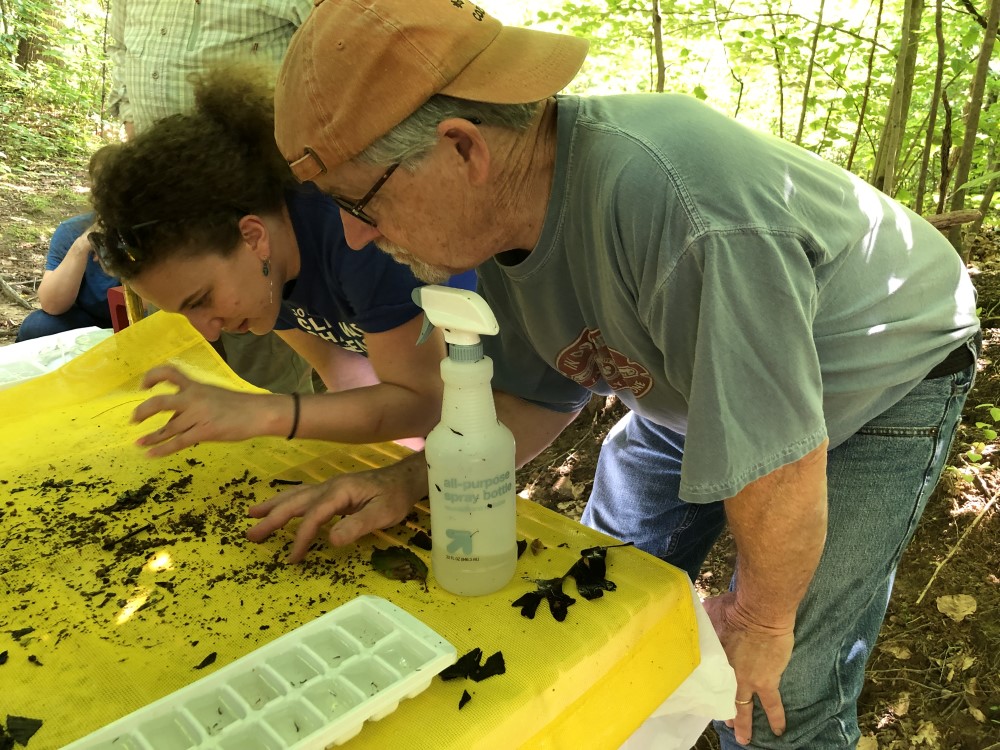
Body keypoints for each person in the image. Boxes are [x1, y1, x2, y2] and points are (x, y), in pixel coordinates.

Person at [246, 1, 981, 749]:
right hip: (698, 381)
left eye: (358, 202)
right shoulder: (496, 219)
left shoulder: (684, 212)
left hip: (875, 373)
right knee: (595, 602)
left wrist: (760, 619)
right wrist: (409, 482)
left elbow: (780, 453)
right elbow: (529, 394)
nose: (355, 236)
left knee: (770, 695)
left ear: (463, 149)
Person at [89, 66, 475, 454]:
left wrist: (264, 412)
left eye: (201, 299)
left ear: (252, 236)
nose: (208, 331)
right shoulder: (266, 272)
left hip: (509, 381)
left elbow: (425, 401)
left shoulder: (355, 238)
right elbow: (347, 374)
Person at [107, 0, 316, 395]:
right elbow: (119, 49)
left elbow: (340, 49)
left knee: (265, 375)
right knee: (184, 370)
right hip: (157, 227)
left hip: (246, 213)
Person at [16, 146, 121, 343]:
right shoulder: (72, 230)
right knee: (37, 326)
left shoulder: (155, 228)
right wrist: (82, 245)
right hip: (89, 320)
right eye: (103, 182)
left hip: (145, 318)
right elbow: (52, 304)